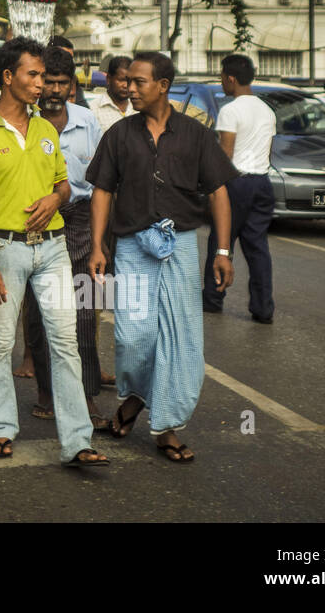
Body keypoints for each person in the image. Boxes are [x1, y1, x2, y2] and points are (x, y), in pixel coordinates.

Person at [0, 38, 107, 467]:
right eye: (34, 75)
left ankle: (77, 440)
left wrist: (55, 200)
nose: (42, 84)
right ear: (8, 77)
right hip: (4, 250)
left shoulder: (45, 129)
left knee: (66, 343)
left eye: (43, 76)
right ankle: (1, 428)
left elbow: (63, 185)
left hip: (54, 249)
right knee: (1, 344)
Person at [85, 52, 236, 464]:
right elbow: (102, 189)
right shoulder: (119, 135)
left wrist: (222, 251)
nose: (128, 88)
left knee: (179, 338)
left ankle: (166, 427)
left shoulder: (196, 135)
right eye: (127, 82)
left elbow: (219, 190)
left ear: (163, 86)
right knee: (133, 336)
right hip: (132, 244)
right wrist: (98, 246)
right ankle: (134, 398)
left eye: (138, 82)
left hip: (182, 244)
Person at [25, 47, 107, 428]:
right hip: (35, 219)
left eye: (61, 83)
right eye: (48, 82)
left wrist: (101, 239)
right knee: (41, 313)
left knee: (85, 313)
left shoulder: (88, 121)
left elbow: (103, 181)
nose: (54, 90)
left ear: (72, 86)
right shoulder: (25, 120)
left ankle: (87, 396)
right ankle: (46, 392)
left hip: (80, 219)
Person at [204, 54, 276, 323]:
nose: (222, 82)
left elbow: (226, 154)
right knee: (257, 248)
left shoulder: (230, 110)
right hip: (262, 183)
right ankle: (263, 309)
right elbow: (267, 151)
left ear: (231, 79)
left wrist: (212, 186)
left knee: (221, 241)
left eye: (223, 78)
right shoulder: (267, 110)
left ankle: (212, 298)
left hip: (236, 184)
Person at [93, 55, 135, 133]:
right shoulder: (94, 110)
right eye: (121, 80)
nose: (125, 85)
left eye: (129, 81)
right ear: (108, 79)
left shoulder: (138, 108)